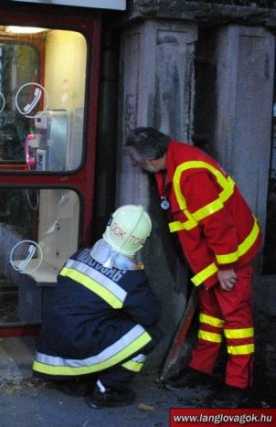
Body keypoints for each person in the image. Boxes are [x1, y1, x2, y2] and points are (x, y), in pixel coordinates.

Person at [125, 127, 261, 408]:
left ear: (150, 161)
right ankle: (201, 370)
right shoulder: (174, 164)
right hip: (212, 259)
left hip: (230, 257)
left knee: (236, 323)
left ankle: (238, 386)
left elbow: (218, 226)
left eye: (135, 161)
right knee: (211, 315)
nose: (134, 166)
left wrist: (226, 267)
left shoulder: (190, 174)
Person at [33, 205, 163, 409]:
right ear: (141, 243)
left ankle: (74, 380)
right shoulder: (131, 279)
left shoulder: (80, 255)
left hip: (49, 349)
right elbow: (151, 314)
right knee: (148, 334)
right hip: (76, 346)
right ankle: (107, 390)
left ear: (111, 226)